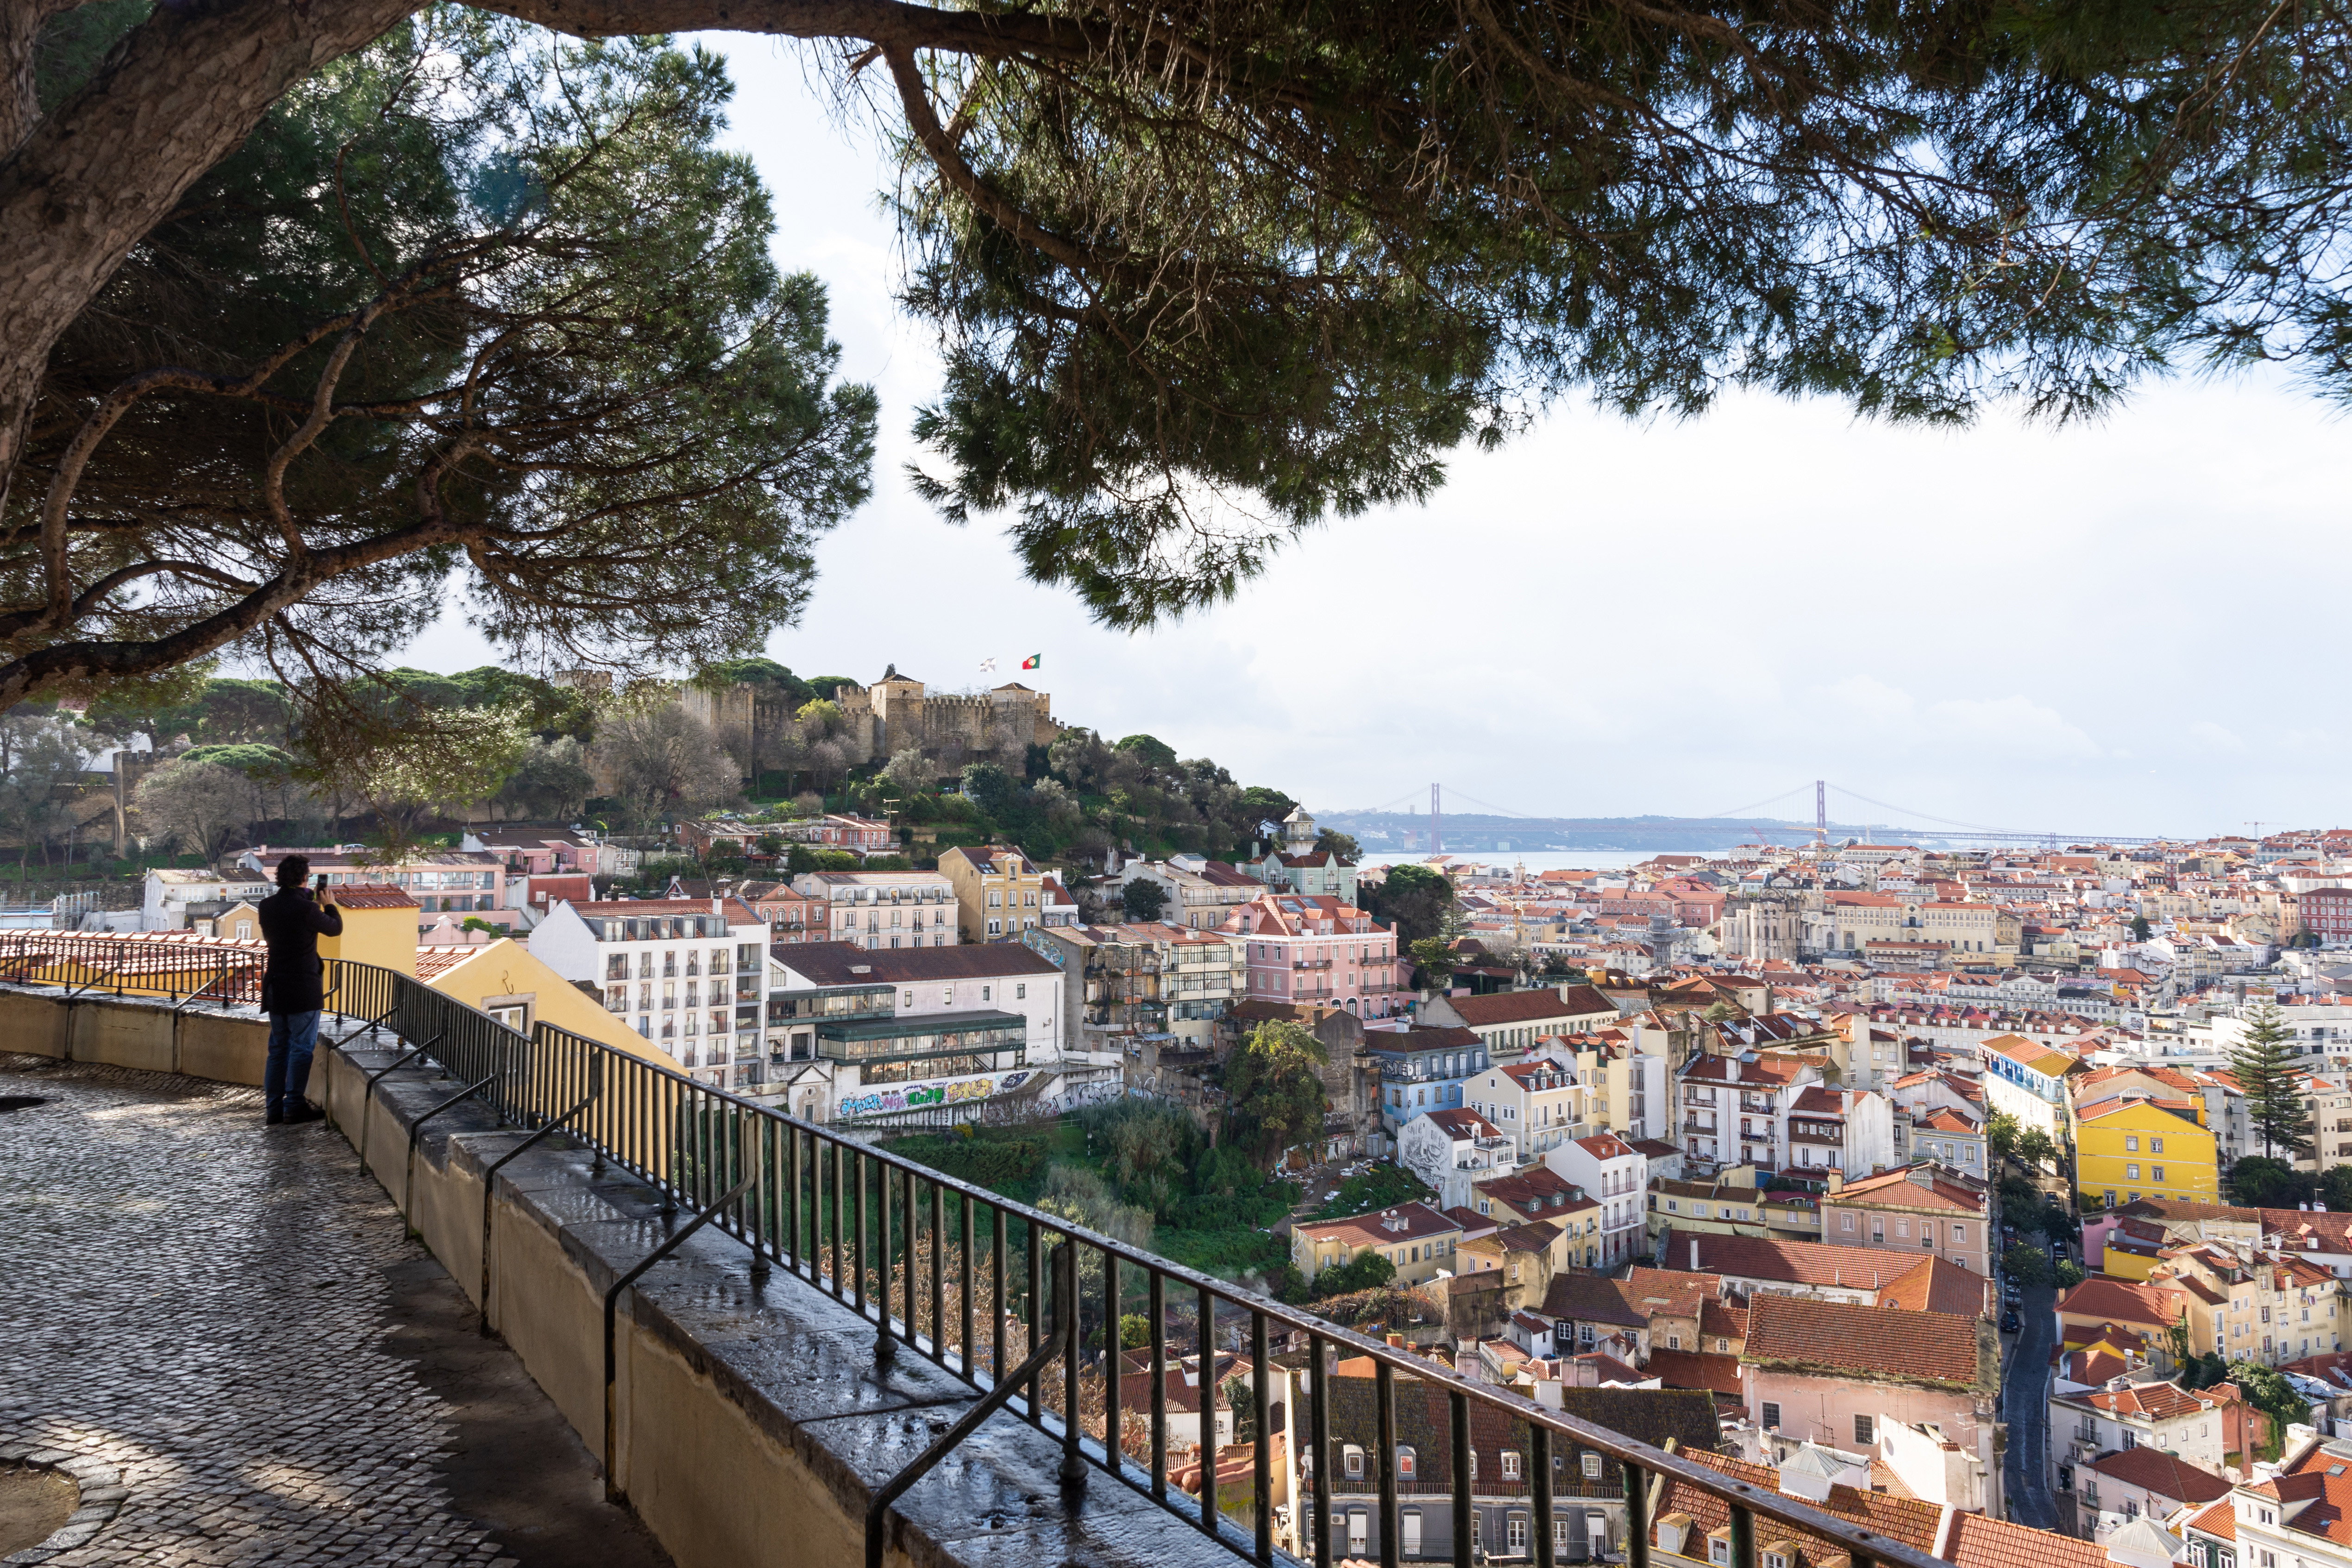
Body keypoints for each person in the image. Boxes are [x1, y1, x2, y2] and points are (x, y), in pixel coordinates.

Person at [257, 853, 342, 1125]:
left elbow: (290, 912)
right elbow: (335, 929)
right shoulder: (308, 910)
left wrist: (310, 902)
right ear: (305, 878)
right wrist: (328, 906)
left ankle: (273, 1108)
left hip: (275, 986)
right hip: (303, 988)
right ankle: (294, 1105)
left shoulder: (266, 905)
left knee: (278, 1049)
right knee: (302, 1049)